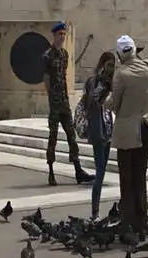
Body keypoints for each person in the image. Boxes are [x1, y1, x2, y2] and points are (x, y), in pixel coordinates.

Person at [107, 34, 148, 242]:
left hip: (128, 131)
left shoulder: (121, 74)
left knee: (126, 177)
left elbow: (114, 103)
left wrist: (103, 100)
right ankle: (142, 220)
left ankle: (128, 222)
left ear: (119, 53)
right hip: (146, 127)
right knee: (140, 174)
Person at [42, 22, 90, 187]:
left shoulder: (64, 54)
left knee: (72, 136)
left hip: (64, 102)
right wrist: (52, 97)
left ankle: (78, 170)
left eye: (64, 34)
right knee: (53, 137)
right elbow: (46, 79)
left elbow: (63, 76)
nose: (62, 37)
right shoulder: (47, 56)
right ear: (54, 35)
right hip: (55, 103)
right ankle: (51, 172)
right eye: (60, 34)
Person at [78, 51, 117, 219]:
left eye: (113, 66)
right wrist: (104, 84)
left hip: (107, 130)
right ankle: (95, 212)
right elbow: (94, 100)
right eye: (109, 65)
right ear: (102, 64)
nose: (111, 69)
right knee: (99, 172)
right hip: (98, 131)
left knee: (102, 171)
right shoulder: (96, 82)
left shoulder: (109, 82)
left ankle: (96, 211)